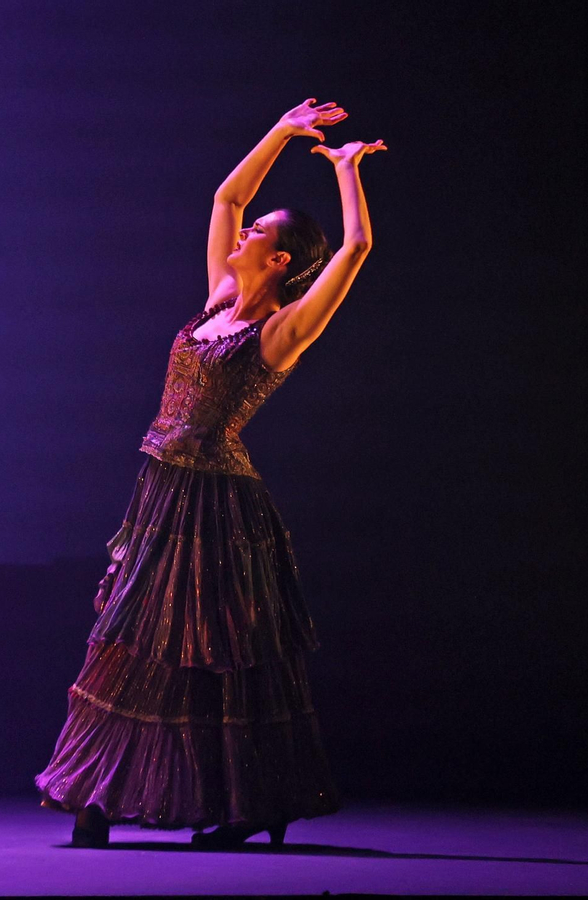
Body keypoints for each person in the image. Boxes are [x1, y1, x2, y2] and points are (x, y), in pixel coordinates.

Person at [34, 99, 385, 849]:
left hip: (217, 508)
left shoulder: (281, 331)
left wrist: (349, 171)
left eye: (259, 233)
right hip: (160, 491)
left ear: (281, 262)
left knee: (216, 649)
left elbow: (355, 249)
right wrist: (285, 132)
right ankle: (102, 789)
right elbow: (229, 196)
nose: (245, 230)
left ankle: (251, 800)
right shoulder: (219, 301)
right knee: (131, 635)